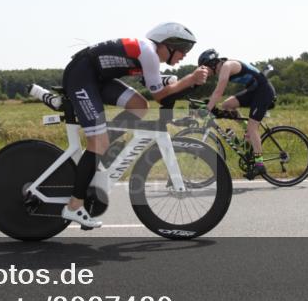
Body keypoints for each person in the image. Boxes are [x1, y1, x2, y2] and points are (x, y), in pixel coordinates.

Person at [61, 23, 209, 228]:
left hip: (97, 78)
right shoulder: (148, 53)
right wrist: (189, 78)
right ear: (168, 44)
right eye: (183, 49)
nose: (184, 55)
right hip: (81, 76)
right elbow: (159, 95)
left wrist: (185, 82)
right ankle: (74, 206)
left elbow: (155, 86)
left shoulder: (148, 53)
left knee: (139, 105)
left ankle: (103, 150)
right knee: (98, 141)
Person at [197, 49, 276, 178]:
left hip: (263, 91)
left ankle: (260, 165)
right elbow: (218, 95)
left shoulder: (226, 66)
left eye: (205, 68)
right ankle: (247, 138)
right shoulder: (223, 68)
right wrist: (211, 106)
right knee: (227, 105)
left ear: (211, 63)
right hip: (253, 91)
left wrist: (208, 109)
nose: (205, 72)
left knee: (253, 127)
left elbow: (218, 91)